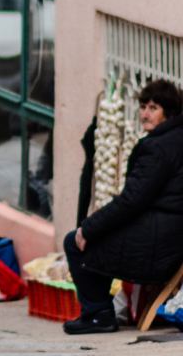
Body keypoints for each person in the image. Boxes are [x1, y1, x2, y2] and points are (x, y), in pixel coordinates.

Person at [63, 79, 183, 334]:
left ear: (170, 112)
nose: (145, 114)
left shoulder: (158, 147)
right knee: (102, 237)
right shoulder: (175, 139)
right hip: (170, 234)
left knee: (75, 242)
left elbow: (132, 200)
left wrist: (89, 227)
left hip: (160, 241)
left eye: (153, 108)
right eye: (143, 107)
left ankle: (97, 314)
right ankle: (100, 311)